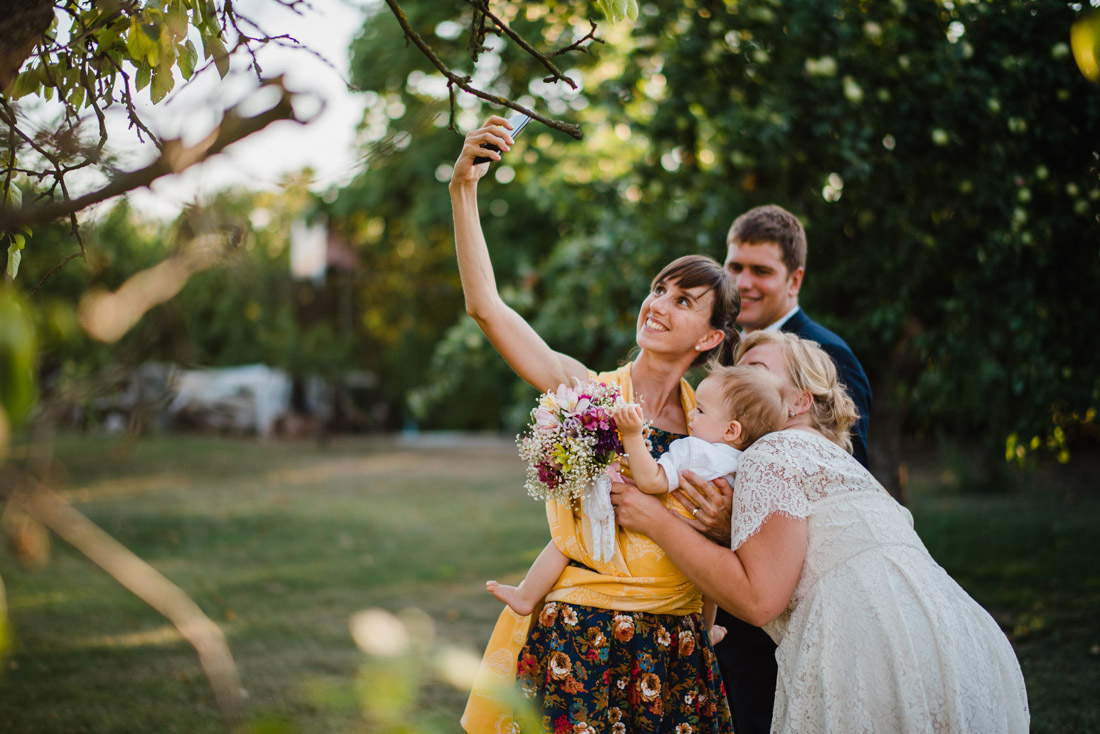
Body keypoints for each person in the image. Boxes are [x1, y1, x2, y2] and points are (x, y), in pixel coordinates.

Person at [452, 115, 738, 734]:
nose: (658, 303)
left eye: (683, 301)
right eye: (660, 288)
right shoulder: (588, 392)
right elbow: (487, 308)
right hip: (580, 646)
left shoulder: (715, 428)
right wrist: (464, 190)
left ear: (712, 337)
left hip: (678, 652)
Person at [611, 331, 1030, 734]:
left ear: (799, 400)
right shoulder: (845, 467)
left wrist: (653, 519)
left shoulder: (771, 453)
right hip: (961, 640)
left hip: (869, 646)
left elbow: (759, 601)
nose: (736, 384)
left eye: (755, 370)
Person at [712, 203, 874, 733]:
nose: (743, 282)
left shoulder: (824, 352)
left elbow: (846, 473)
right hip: (727, 601)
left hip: (787, 604)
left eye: (761, 270)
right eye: (735, 267)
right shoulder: (729, 349)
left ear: (794, 278)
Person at [486, 365, 787, 648]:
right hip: (700, 549)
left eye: (701, 410)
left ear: (731, 430)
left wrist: (631, 436)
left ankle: (526, 594)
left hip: (654, 537)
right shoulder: (746, 465)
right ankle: (708, 629)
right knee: (710, 586)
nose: (691, 415)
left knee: (571, 538)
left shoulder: (694, 450)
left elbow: (652, 481)